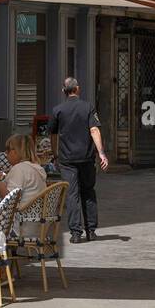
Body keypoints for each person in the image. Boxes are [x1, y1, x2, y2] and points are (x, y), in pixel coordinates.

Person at [47, 77, 107, 243]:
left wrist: (55, 154)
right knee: (88, 192)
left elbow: (52, 134)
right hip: (87, 158)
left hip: (67, 159)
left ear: (63, 91)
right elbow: (94, 130)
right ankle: (91, 231)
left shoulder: (57, 110)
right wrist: (101, 153)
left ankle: (75, 233)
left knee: (72, 195)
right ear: (78, 89)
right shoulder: (88, 107)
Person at [0, 134, 47, 207]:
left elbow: (10, 201)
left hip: (20, 216)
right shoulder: (37, 168)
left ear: (16, 151)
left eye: (8, 149)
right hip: (36, 215)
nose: (5, 152)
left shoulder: (19, 169)